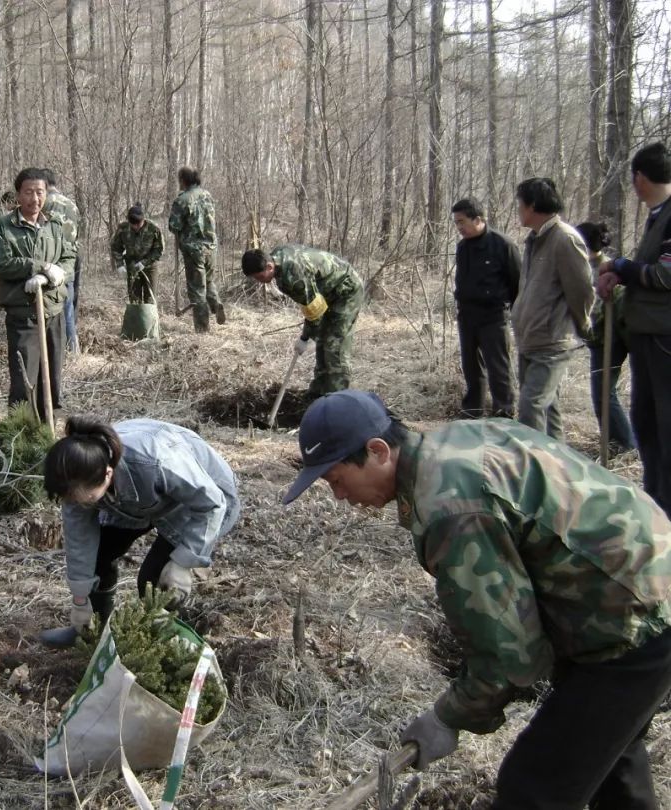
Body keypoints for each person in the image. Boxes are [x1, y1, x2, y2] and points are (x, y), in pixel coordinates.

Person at [283, 389, 671, 809]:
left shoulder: (450, 506)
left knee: (534, 788)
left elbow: (508, 650)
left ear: (377, 451)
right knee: (610, 760)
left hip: (632, 616)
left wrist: (448, 716)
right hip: (636, 584)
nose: (340, 496)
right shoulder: (452, 444)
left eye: (337, 480)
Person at [39, 417, 240, 647]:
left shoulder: (156, 461)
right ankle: (94, 633)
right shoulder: (76, 480)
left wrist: (185, 562)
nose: (76, 503)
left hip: (199, 501)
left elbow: (212, 503)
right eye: (72, 499)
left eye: (84, 499)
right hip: (133, 498)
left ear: (106, 474)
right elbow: (80, 540)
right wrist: (80, 600)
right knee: (99, 555)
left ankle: (160, 646)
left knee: (153, 580)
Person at [598, 142, 671, 517]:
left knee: (664, 424)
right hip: (646, 333)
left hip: (664, 338)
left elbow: (664, 273)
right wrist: (618, 273)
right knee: (646, 421)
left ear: (640, 178)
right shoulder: (657, 216)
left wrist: (623, 267)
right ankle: (654, 503)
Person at [0, 167, 75, 423]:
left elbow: (69, 257)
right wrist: (39, 267)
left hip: (53, 310)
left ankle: (49, 429)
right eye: (28, 192)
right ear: (17, 195)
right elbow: (3, 263)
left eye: (40, 192)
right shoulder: (4, 227)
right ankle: (22, 433)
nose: (34, 199)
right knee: (25, 378)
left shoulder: (55, 225)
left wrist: (57, 273)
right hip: (23, 314)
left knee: (52, 378)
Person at [511, 178, 593, 439]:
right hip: (530, 338)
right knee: (548, 409)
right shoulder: (533, 240)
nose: (518, 209)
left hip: (553, 341)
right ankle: (559, 467)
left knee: (531, 406)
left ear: (532, 205)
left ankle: (534, 468)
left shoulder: (565, 239)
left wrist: (583, 324)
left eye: (520, 204)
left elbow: (581, 290)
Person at [242, 245, 364, 399]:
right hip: (327, 293)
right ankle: (319, 393)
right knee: (322, 341)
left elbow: (313, 311)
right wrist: (310, 335)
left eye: (259, 277)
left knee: (334, 346)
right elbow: (313, 309)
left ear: (269, 266)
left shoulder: (293, 275)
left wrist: (304, 338)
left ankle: (337, 399)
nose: (259, 281)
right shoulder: (277, 259)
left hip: (346, 292)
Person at [451, 198, 521, 418]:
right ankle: (472, 410)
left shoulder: (504, 245)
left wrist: (513, 313)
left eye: (462, 222)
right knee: (471, 367)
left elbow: (517, 283)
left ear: (478, 219)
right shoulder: (462, 248)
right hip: (467, 315)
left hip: (494, 316)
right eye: (456, 223)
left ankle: (504, 412)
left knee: (498, 367)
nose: (459, 227)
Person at [577, 221, 634, 455]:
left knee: (603, 394)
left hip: (608, 340)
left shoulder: (598, 270)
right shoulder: (591, 265)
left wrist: (584, 330)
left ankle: (623, 444)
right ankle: (615, 441)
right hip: (603, 339)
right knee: (603, 394)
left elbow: (598, 312)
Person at [168, 167, 225, 332]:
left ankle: (202, 328)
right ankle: (215, 302)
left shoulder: (182, 200)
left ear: (183, 180)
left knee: (196, 289)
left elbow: (174, 226)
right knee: (208, 280)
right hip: (211, 247)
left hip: (194, 250)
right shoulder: (208, 195)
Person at [41, 169, 82, 353]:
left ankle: (61, 348)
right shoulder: (72, 205)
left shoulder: (44, 203)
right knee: (70, 303)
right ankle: (73, 346)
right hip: (72, 257)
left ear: (45, 184)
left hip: (54, 258)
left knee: (57, 305)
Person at [110, 204, 165, 304]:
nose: (135, 227)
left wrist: (144, 262)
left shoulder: (153, 229)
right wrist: (120, 264)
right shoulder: (123, 228)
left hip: (150, 267)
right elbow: (115, 247)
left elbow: (159, 250)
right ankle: (136, 319)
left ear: (143, 220)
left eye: (138, 224)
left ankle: (150, 319)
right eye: (133, 224)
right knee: (135, 300)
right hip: (132, 267)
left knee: (150, 300)